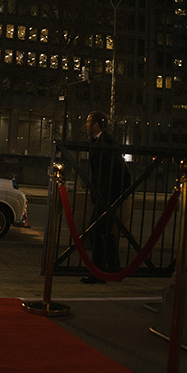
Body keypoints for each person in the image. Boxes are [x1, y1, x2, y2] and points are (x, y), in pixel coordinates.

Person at [83, 109, 131, 283]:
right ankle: (113, 268)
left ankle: (98, 272)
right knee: (105, 231)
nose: (86, 125)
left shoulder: (107, 142)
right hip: (104, 194)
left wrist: (110, 191)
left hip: (108, 194)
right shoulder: (96, 141)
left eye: (89, 122)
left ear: (96, 124)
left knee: (95, 230)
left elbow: (117, 169)